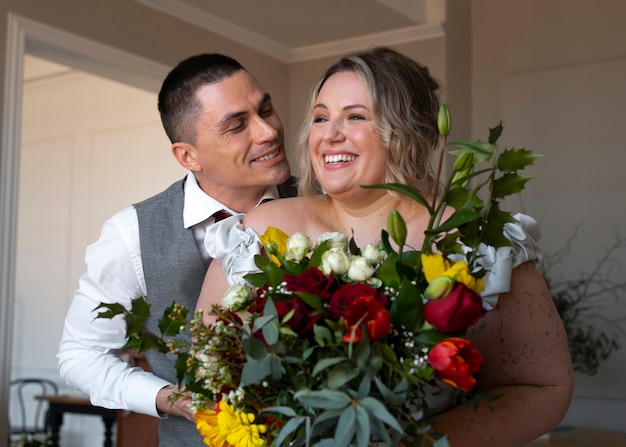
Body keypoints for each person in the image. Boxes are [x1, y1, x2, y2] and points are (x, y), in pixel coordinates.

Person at [197, 47, 574, 447]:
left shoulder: (477, 242)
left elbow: (542, 387)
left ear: (409, 129)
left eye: (356, 116)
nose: (330, 135)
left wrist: (419, 442)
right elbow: (208, 371)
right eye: (322, 117)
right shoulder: (258, 234)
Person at [57, 53, 296, 446]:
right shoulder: (131, 233)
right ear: (188, 156)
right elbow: (80, 355)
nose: (268, 130)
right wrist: (171, 399)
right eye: (237, 125)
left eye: (266, 109)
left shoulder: (327, 204)